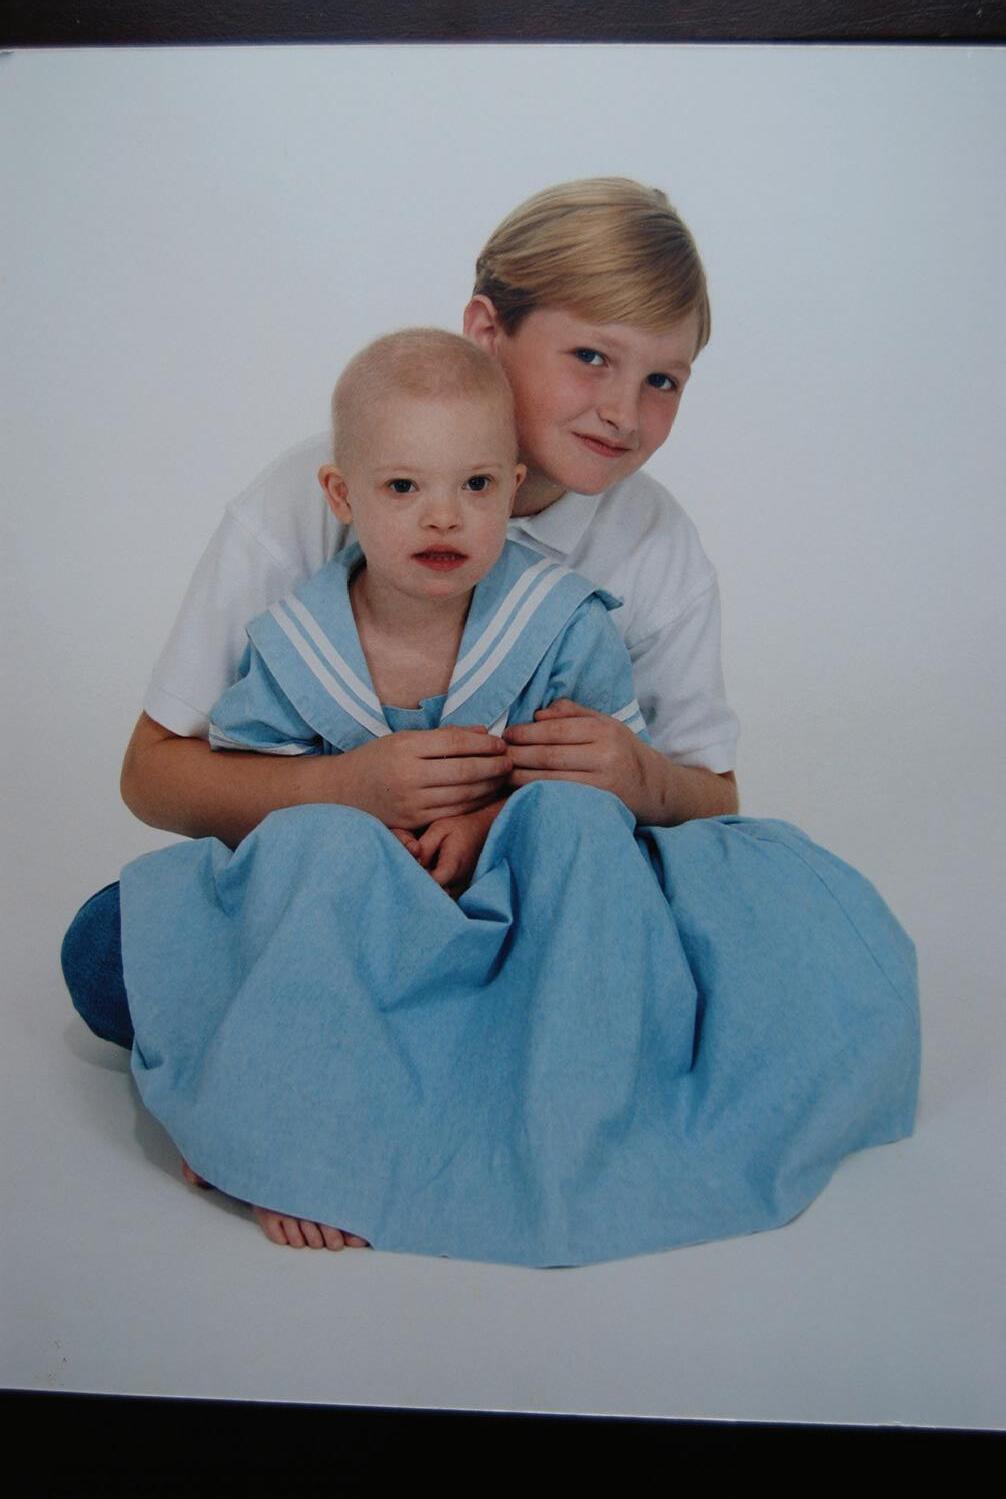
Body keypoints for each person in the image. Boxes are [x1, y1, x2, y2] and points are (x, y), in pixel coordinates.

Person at [115, 329, 918, 1268]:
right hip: (362, 931)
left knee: (571, 819)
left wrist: (491, 819)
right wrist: (347, 798)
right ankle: (281, 1122)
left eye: (477, 487)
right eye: (403, 488)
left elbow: (614, 807)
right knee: (301, 856)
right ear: (342, 495)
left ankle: (513, 1114)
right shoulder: (294, 645)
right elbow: (246, 818)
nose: (443, 517)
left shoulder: (562, 623)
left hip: (525, 925)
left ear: (513, 488)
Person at [64, 176, 740, 1049]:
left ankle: (377, 1033)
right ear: (487, 330)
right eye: (590, 356)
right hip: (333, 883)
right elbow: (151, 774)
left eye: (663, 380)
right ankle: (468, 1038)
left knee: (720, 935)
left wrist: (639, 777)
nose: (622, 412)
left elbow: (715, 801)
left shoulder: (657, 545)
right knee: (105, 951)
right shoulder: (313, 497)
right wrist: (343, 789)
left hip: (530, 896)